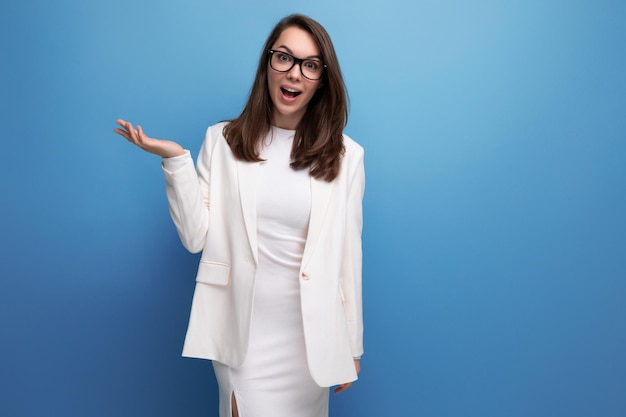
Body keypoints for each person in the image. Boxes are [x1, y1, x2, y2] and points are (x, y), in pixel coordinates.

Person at [114, 14, 364, 417]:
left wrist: (351, 346)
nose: (295, 73)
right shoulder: (223, 141)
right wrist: (176, 161)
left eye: (310, 65)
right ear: (268, 63)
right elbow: (196, 238)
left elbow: (348, 257)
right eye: (284, 57)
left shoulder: (348, 157)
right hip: (243, 335)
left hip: (311, 340)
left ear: (322, 80)